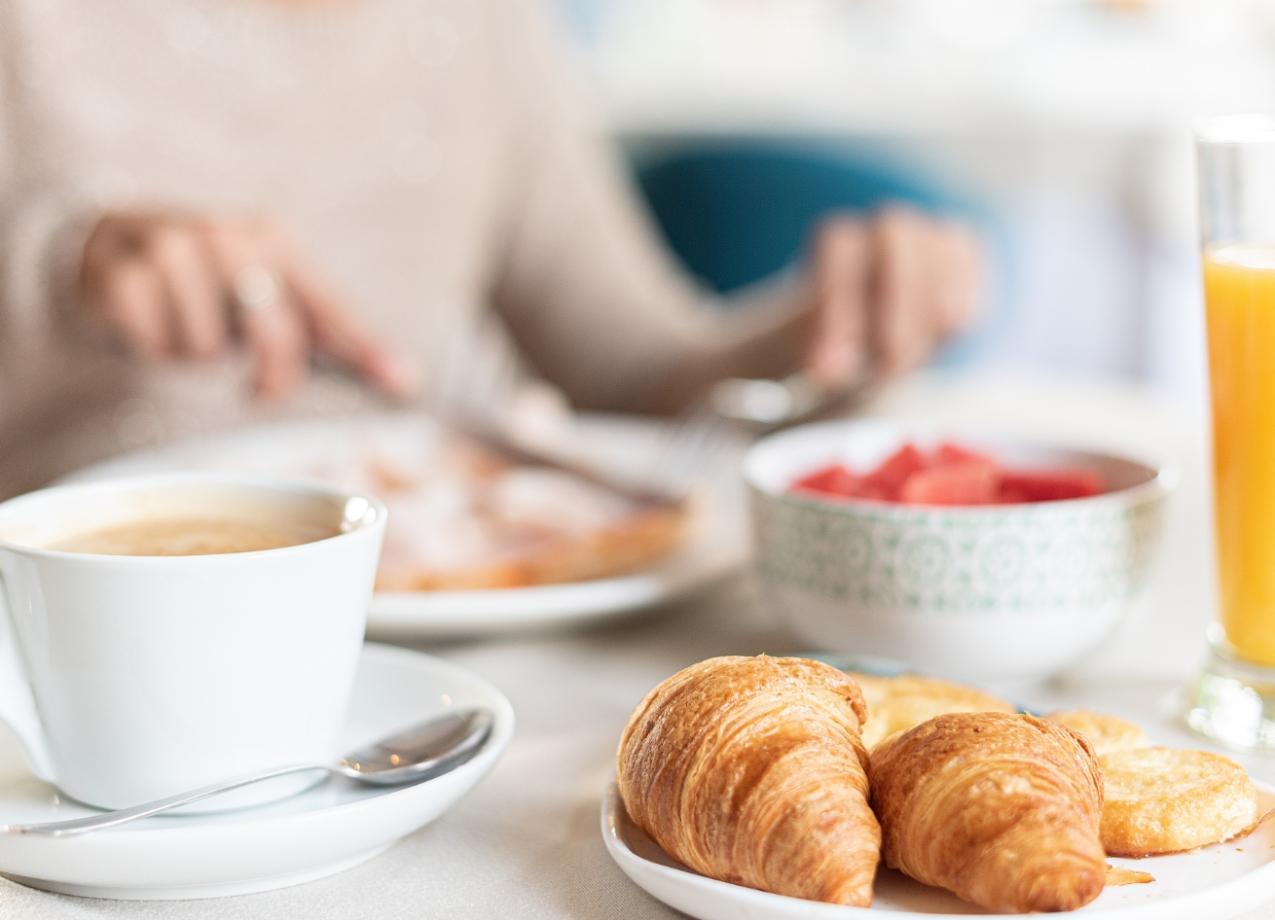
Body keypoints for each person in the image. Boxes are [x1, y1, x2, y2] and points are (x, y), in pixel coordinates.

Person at [0, 0, 982, 498]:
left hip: (438, 668)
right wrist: (61, 268)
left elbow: (639, 374)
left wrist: (831, 331)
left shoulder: (484, 24)